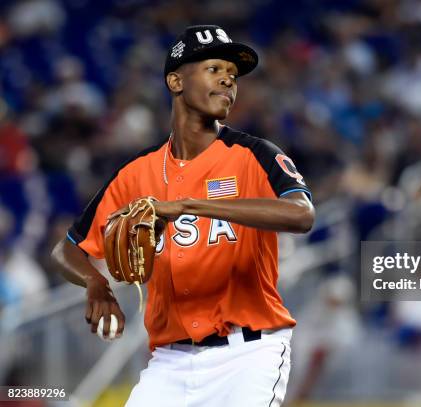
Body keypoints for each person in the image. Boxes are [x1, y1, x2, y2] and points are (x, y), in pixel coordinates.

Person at [52, 25, 315, 406]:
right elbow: (67, 250)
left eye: (232, 74)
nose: (228, 78)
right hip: (170, 362)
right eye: (213, 68)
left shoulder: (255, 154)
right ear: (176, 81)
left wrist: (187, 205)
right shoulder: (136, 172)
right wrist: (97, 285)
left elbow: (302, 214)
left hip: (248, 355)